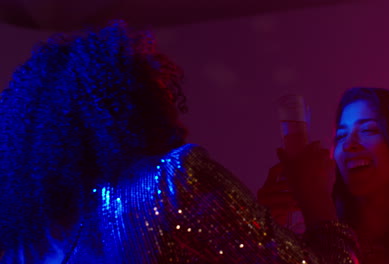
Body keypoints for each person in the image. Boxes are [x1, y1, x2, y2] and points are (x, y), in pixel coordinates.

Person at [0, 21, 360, 263]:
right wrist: (318, 201)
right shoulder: (174, 181)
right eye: (160, 87)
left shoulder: (29, 245)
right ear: (134, 101)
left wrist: (257, 225)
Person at [259, 87, 389, 264]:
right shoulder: (309, 237)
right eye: (341, 135)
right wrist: (261, 233)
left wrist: (317, 203)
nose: (349, 145)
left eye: (368, 130)